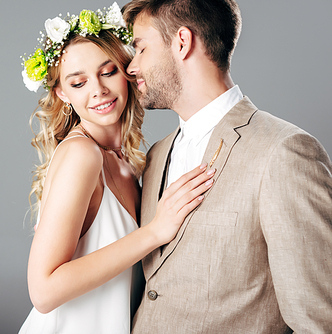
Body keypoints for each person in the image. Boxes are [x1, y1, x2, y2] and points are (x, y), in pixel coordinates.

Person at [122, 0, 332, 333]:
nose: (131, 67)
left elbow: (318, 321)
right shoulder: (156, 156)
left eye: (141, 48)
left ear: (182, 41)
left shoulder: (284, 152)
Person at [18, 3, 216, 333]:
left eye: (108, 72)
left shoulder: (128, 159)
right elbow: (44, 291)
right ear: (62, 94)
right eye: (78, 83)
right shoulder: (83, 154)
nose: (98, 91)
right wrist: (154, 232)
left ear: (128, 72)